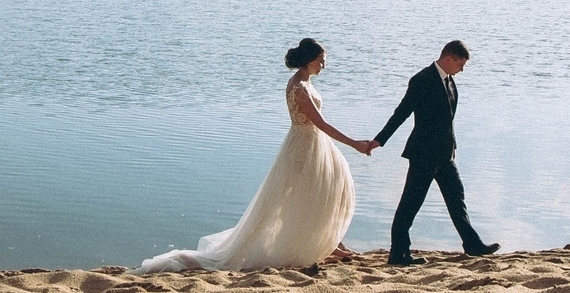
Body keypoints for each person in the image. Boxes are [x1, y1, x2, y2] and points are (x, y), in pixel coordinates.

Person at [140, 38, 373, 273]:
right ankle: (322, 244)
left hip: (312, 144)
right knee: (309, 196)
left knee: (322, 193)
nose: (324, 65)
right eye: (321, 61)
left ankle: (330, 242)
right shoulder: (299, 88)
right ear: (310, 60)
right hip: (304, 148)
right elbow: (320, 124)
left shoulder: (303, 83)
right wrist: (354, 144)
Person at [369, 39, 499, 266]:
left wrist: (452, 147)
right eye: (460, 64)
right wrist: (380, 140)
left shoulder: (449, 80)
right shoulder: (422, 80)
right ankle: (398, 253)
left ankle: (473, 244)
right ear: (449, 58)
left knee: (456, 198)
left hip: (445, 155)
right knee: (410, 204)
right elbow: (402, 112)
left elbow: (447, 120)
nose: (462, 70)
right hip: (424, 155)